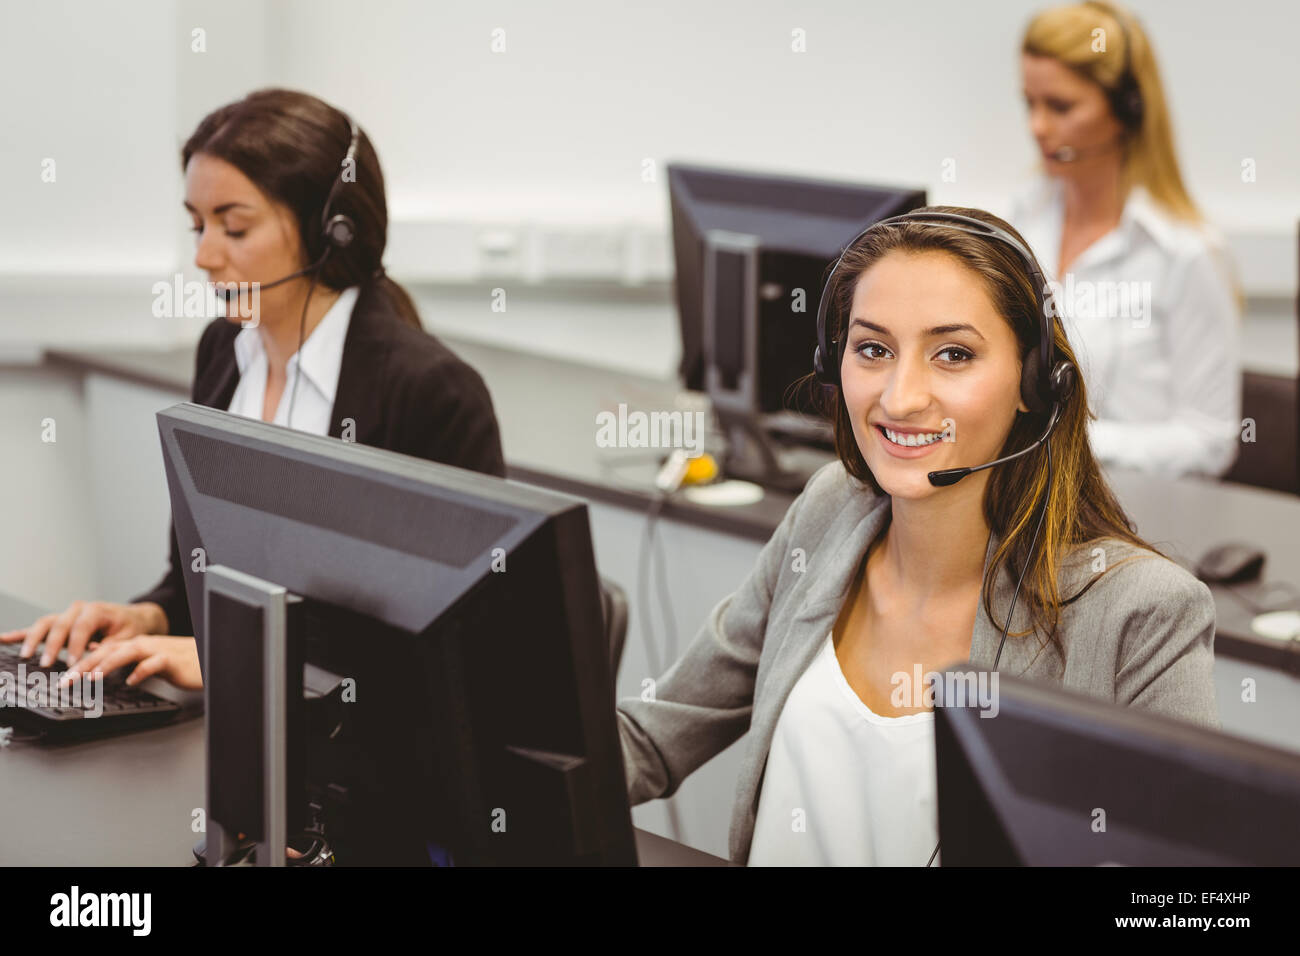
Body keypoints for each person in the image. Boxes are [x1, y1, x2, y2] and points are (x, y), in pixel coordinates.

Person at [616, 206, 1220, 866]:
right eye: (873, 349)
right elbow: (648, 738)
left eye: (953, 355)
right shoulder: (827, 516)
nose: (901, 398)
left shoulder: (1141, 613)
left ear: (1034, 384)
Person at [1, 89, 506, 689]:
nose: (205, 256)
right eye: (197, 225)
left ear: (331, 233)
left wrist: (230, 654)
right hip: (238, 723)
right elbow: (202, 581)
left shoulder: (432, 393)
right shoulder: (224, 351)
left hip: (365, 760)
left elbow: (439, 645)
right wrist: (148, 615)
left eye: (234, 227)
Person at [1011, 0, 1241, 478]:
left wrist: (1063, 437)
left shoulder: (1185, 253)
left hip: (1133, 519)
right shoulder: (1020, 221)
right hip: (1022, 502)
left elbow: (1210, 440)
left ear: (1126, 109)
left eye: (1060, 106)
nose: (1037, 126)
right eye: (1030, 103)